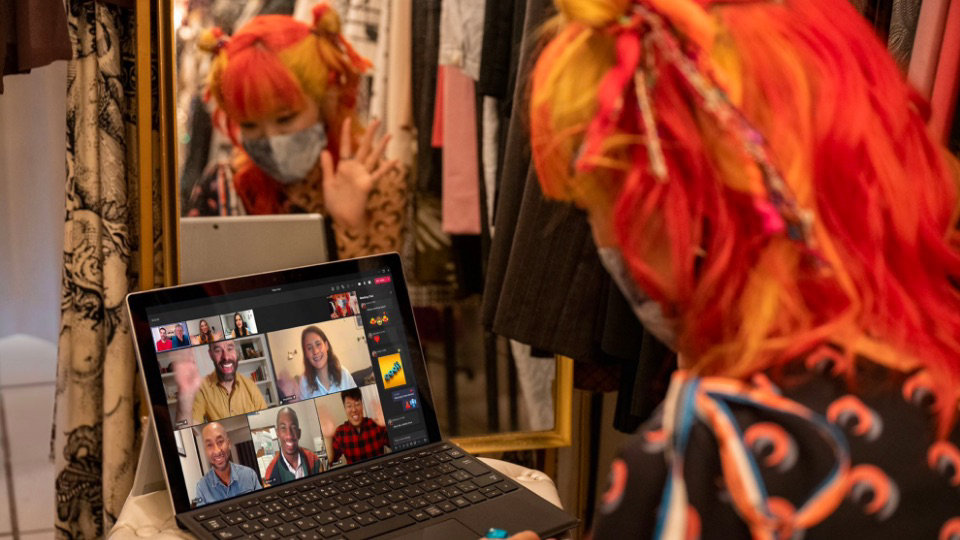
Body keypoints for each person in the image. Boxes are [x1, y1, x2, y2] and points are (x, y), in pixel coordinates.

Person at [513, 0, 960, 538]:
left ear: (680, 215)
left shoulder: (710, 456)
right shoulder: (938, 360)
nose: (607, 243)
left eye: (597, 210)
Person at [200, 6, 406, 258]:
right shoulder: (224, 185)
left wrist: (351, 227)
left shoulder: (376, 180)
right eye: (250, 125)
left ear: (325, 102)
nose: (271, 139)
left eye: (286, 119)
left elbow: (379, 295)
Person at [174, 339, 268, 424]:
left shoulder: (250, 385)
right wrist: (184, 397)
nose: (226, 357)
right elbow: (188, 427)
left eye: (230, 348)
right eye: (218, 350)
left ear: (235, 351)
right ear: (211, 354)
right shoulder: (202, 388)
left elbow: (265, 421)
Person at [279, 326, 357, 400]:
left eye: (318, 344)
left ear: (326, 345)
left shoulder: (344, 373)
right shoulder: (304, 382)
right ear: (306, 354)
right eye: (309, 348)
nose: (315, 351)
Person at [194, 422, 261, 505]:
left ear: (229, 444)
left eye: (220, 441)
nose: (217, 451)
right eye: (209, 445)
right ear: (205, 451)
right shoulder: (201, 487)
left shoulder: (250, 475)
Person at [262, 407, 325, 487]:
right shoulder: (270, 473)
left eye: (293, 428)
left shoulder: (314, 461)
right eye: (283, 428)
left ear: (299, 433)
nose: (289, 435)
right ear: (277, 433)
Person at [329, 388, 388, 465]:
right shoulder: (340, 432)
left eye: (357, 404)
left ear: (362, 405)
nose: (354, 410)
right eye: (349, 406)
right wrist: (328, 437)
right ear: (345, 408)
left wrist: (388, 422)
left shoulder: (377, 425)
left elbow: (399, 444)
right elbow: (331, 460)